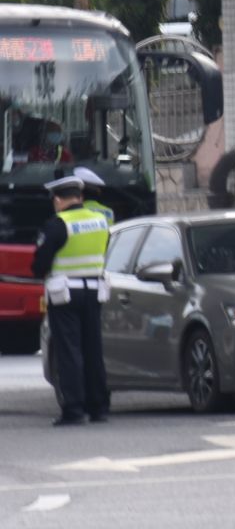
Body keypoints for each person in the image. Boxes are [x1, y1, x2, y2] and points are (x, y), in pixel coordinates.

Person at [31, 174, 110, 426]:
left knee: (69, 351)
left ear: (57, 200)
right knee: (93, 350)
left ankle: (74, 409)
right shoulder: (100, 221)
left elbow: (39, 264)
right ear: (80, 197)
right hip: (94, 291)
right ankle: (98, 408)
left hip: (65, 294)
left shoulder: (58, 224)